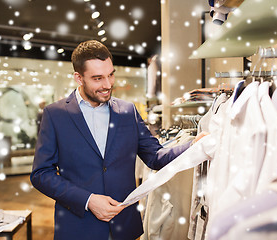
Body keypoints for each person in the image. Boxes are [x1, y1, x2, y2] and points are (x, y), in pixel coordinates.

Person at [30, 40, 206, 240]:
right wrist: (88, 200)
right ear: (78, 78)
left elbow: (155, 157)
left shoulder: (128, 111)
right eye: (97, 78)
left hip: (124, 227)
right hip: (78, 228)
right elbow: (41, 174)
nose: (107, 85)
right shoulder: (55, 114)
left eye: (110, 75)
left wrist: (192, 146)